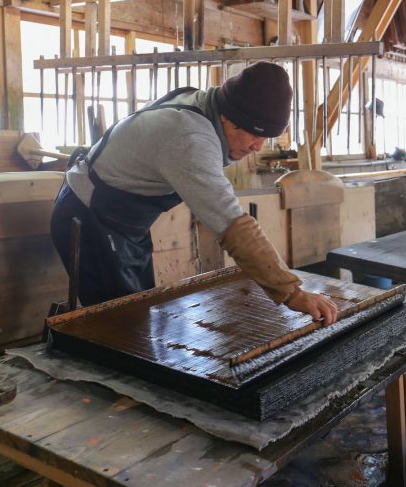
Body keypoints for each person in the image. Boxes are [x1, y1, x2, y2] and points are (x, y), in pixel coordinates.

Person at [50, 61, 338, 326]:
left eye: (265, 139)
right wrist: (292, 293)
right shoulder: (191, 139)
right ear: (228, 118)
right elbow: (233, 226)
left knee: (136, 310)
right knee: (119, 326)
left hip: (122, 221)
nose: (257, 148)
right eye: (254, 135)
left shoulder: (207, 104)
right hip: (89, 217)